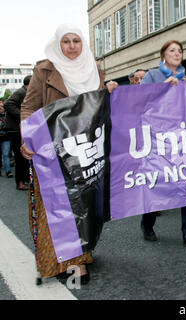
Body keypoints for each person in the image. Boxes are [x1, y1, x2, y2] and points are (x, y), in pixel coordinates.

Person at [20, 24, 118, 284]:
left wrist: (111, 94)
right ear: (58, 44)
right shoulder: (45, 69)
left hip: (85, 150)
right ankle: (68, 262)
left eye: (76, 40)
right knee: (57, 207)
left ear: (83, 44)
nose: (72, 46)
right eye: (66, 41)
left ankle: (81, 255)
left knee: (85, 203)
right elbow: (29, 108)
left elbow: (97, 108)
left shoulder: (95, 70)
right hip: (51, 150)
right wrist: (27, 138)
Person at [140, 40, 186, 249]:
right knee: (159, 184)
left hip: (183, 139)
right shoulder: (152, 75)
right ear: (163, 55)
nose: (177, 54)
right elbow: (140, 99)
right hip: (159, 140)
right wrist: (163, 87)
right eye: (172, 50)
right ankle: (147, 223)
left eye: (180, 51)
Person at [3, 75, 32, 190]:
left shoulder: (25, 92)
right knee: (20, 157)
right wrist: (23, 115)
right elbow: (8, 104)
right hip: (15, 130)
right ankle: (20, 182)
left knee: (24, 158)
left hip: (18, 129)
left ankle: (24, 180)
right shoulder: (21, 92)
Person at [0, 100, 13, 178]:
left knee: (6, 155)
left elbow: (8, 126)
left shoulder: (8, 116)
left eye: (1, 106)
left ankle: (8, 171)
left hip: (6, 138)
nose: (0, 108)